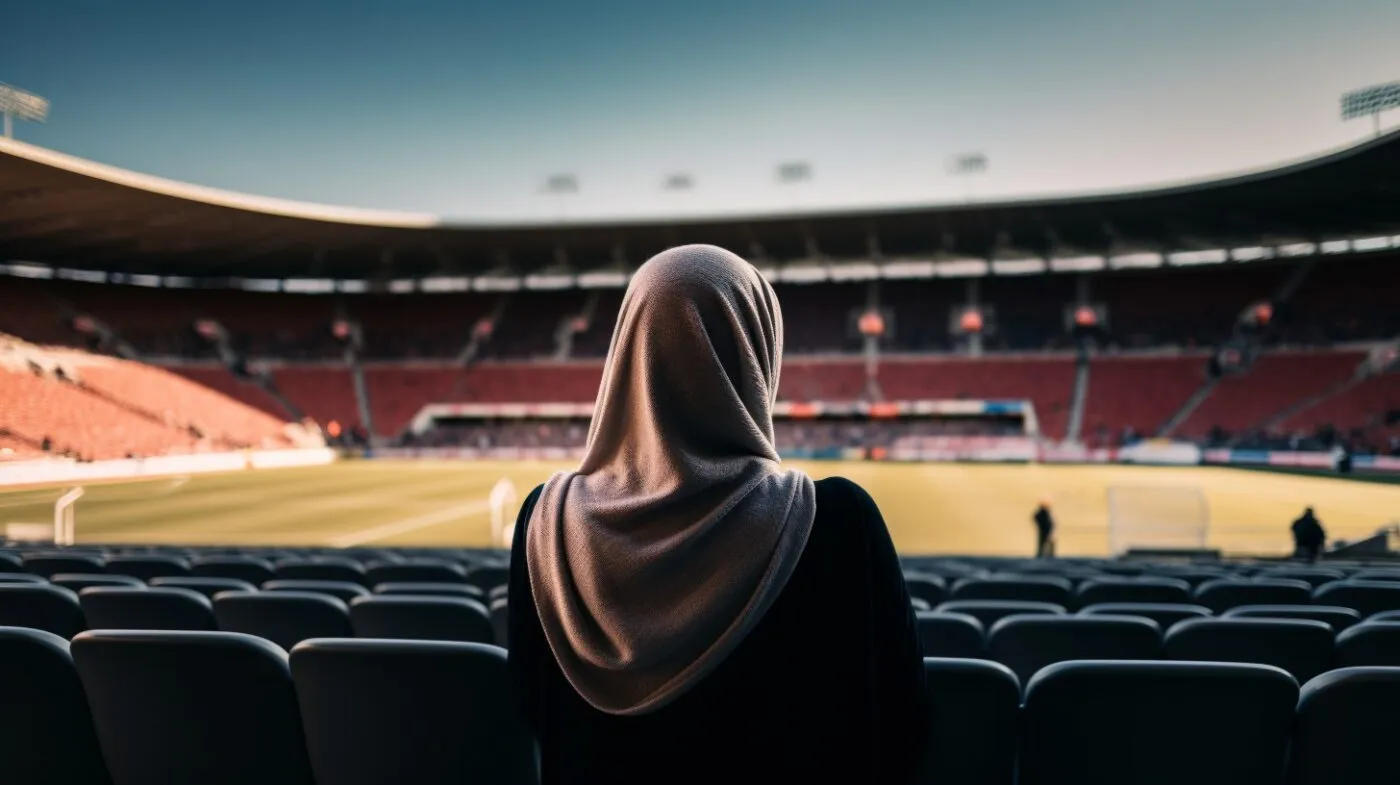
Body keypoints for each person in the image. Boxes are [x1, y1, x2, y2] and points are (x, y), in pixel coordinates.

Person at [508, 244, 928, 785]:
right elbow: (903, 723)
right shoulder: (838, 524)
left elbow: (527, 710)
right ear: (756, 357)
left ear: (627, 352)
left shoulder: (542, 525)